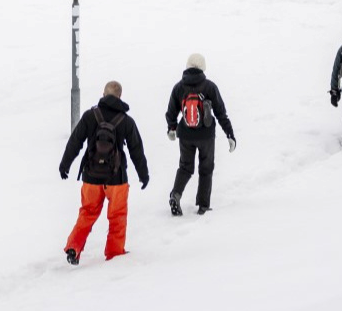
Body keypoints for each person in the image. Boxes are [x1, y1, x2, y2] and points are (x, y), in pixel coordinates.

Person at [58, 80, 149, 264]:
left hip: (91, 177)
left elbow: (75, 141)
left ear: (103, 94)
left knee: (87, 212)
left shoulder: (90, 116)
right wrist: (143, 174)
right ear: (120, 96)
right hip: (117, 179)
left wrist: (65, 164)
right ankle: (115, 254)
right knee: (117, 216)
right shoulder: (126, 121)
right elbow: (136, 150)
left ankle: (73, 247)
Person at [164, 52, 235, 216]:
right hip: (206, 136)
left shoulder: (179, 87)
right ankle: (203, 205)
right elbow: (221, 113)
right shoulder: (210, 86)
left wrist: (171, 128)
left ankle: (176, 194)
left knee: (185, 167)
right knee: (206, 168)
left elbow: (171, 111)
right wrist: (229, 134)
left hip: (185, 135)